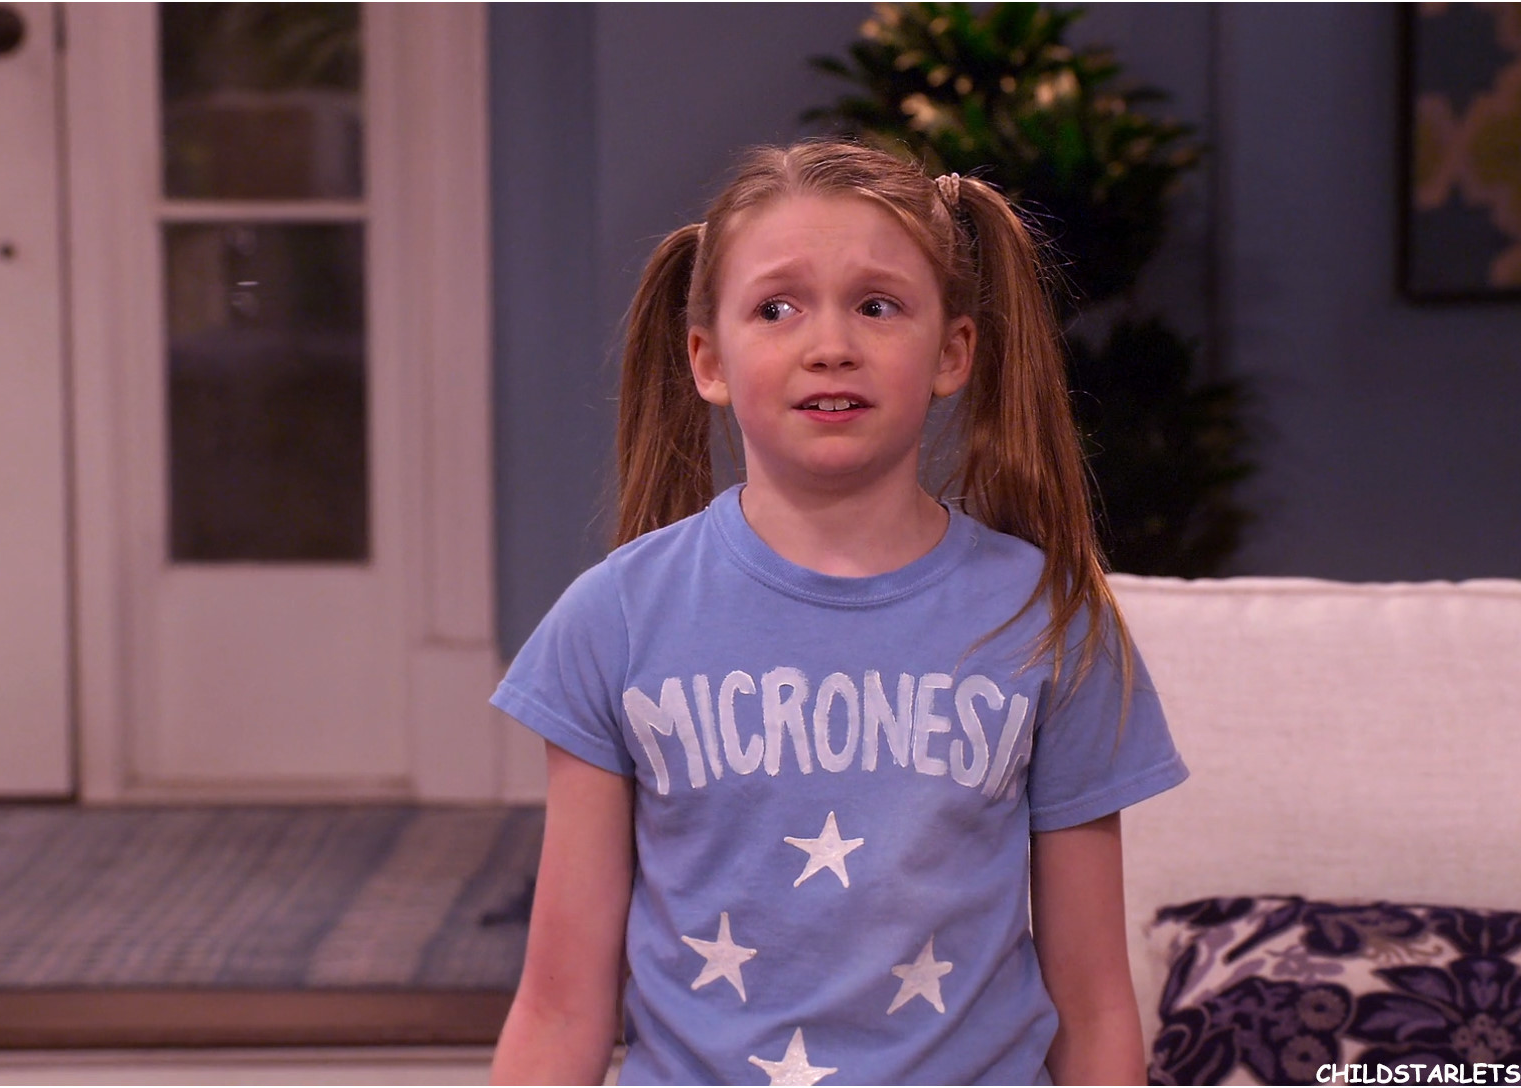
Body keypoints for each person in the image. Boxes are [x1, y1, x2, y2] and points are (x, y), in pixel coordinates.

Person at [488, 139, 1188, 1086]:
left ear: (952, 352)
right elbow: (560, 1008)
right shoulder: (612, 619)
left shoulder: (1052, 622)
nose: (830, 346)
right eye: (776, 308)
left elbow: (1096, 1005)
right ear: (708, 359)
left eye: (877, 306)